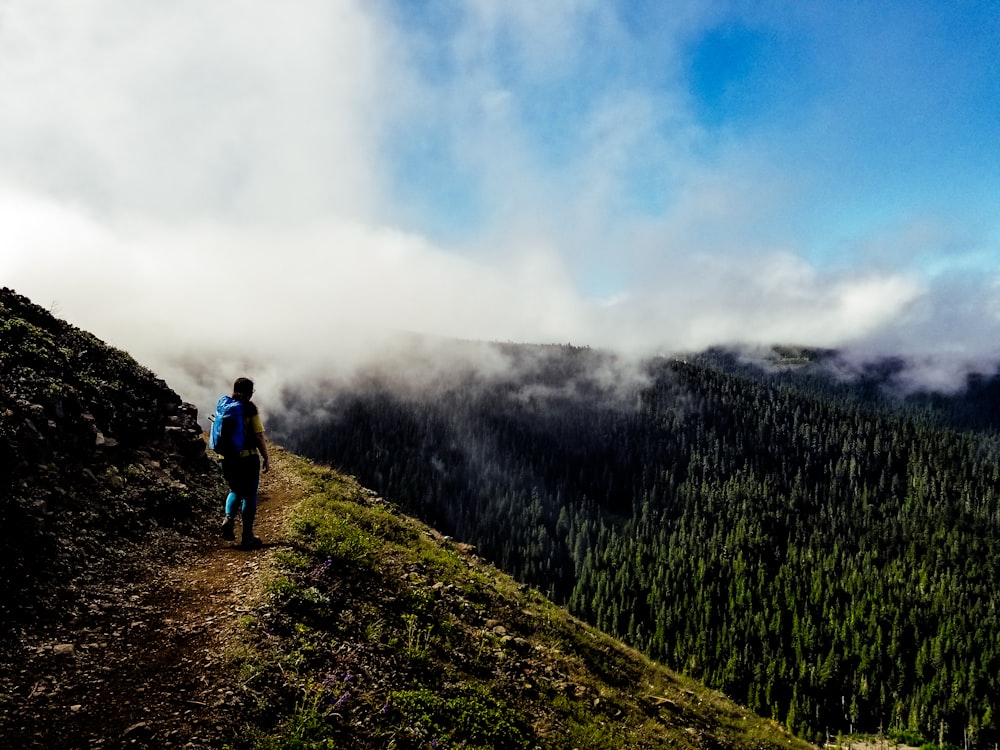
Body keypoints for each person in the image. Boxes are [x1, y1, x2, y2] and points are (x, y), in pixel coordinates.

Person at [219, 377, 270, 549]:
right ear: (249, 392)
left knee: (235, 490)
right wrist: (266, 457)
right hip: (248, 459)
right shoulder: (249, 409)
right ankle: (247, 536)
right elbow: (258, 436)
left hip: (226, 458)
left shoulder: (225, 406)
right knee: (249, 495)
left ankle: (228, 519)